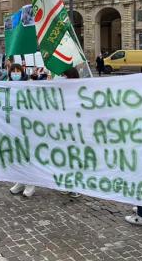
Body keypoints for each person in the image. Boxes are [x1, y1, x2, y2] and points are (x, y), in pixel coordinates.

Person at [8, 63, 36, 198]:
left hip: (27, 125)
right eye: (13, 71)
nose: (15, 73)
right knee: (17, 154)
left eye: (17, 70)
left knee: (27, 154)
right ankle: (20, 181)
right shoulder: (6, 85)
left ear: (22, 72)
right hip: (13, 126)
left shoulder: (29, 84)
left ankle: (30, 183)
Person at [59, 67, 81, 198]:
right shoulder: (63, 89)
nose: (63, 78)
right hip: (63, 131)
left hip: (76, 132)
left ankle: (75, 187)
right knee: (65, 159)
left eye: (65, 76)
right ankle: (67, 184)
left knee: (74, 159)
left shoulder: (79, 91)